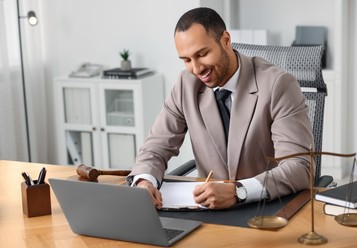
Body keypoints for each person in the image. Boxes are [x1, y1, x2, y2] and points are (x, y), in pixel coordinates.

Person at [126, 7, 313, 210]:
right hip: (209, 213)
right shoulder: (185, 85)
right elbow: (156, 146)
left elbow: (300, 167)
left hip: (267, 209)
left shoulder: (278, 85)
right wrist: (144, 182)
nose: (196, 69)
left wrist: (238, 191)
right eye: (187, 60)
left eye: (202, 54)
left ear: (225, 40)